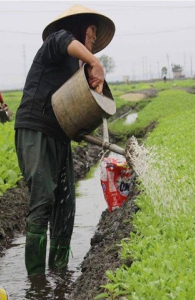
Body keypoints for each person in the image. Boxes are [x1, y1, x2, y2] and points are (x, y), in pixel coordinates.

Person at [14, 4, 115, 276]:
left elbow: (73, 106)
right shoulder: (57, 40)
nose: (92, 44)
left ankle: (58, 272)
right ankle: (36, 281)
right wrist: (95, 62)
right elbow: (66, 42)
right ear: (82, 29)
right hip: (36, 129)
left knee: (66, 203)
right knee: (43, 197)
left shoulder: (74, 66)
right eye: (91, 37)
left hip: (59, 135)